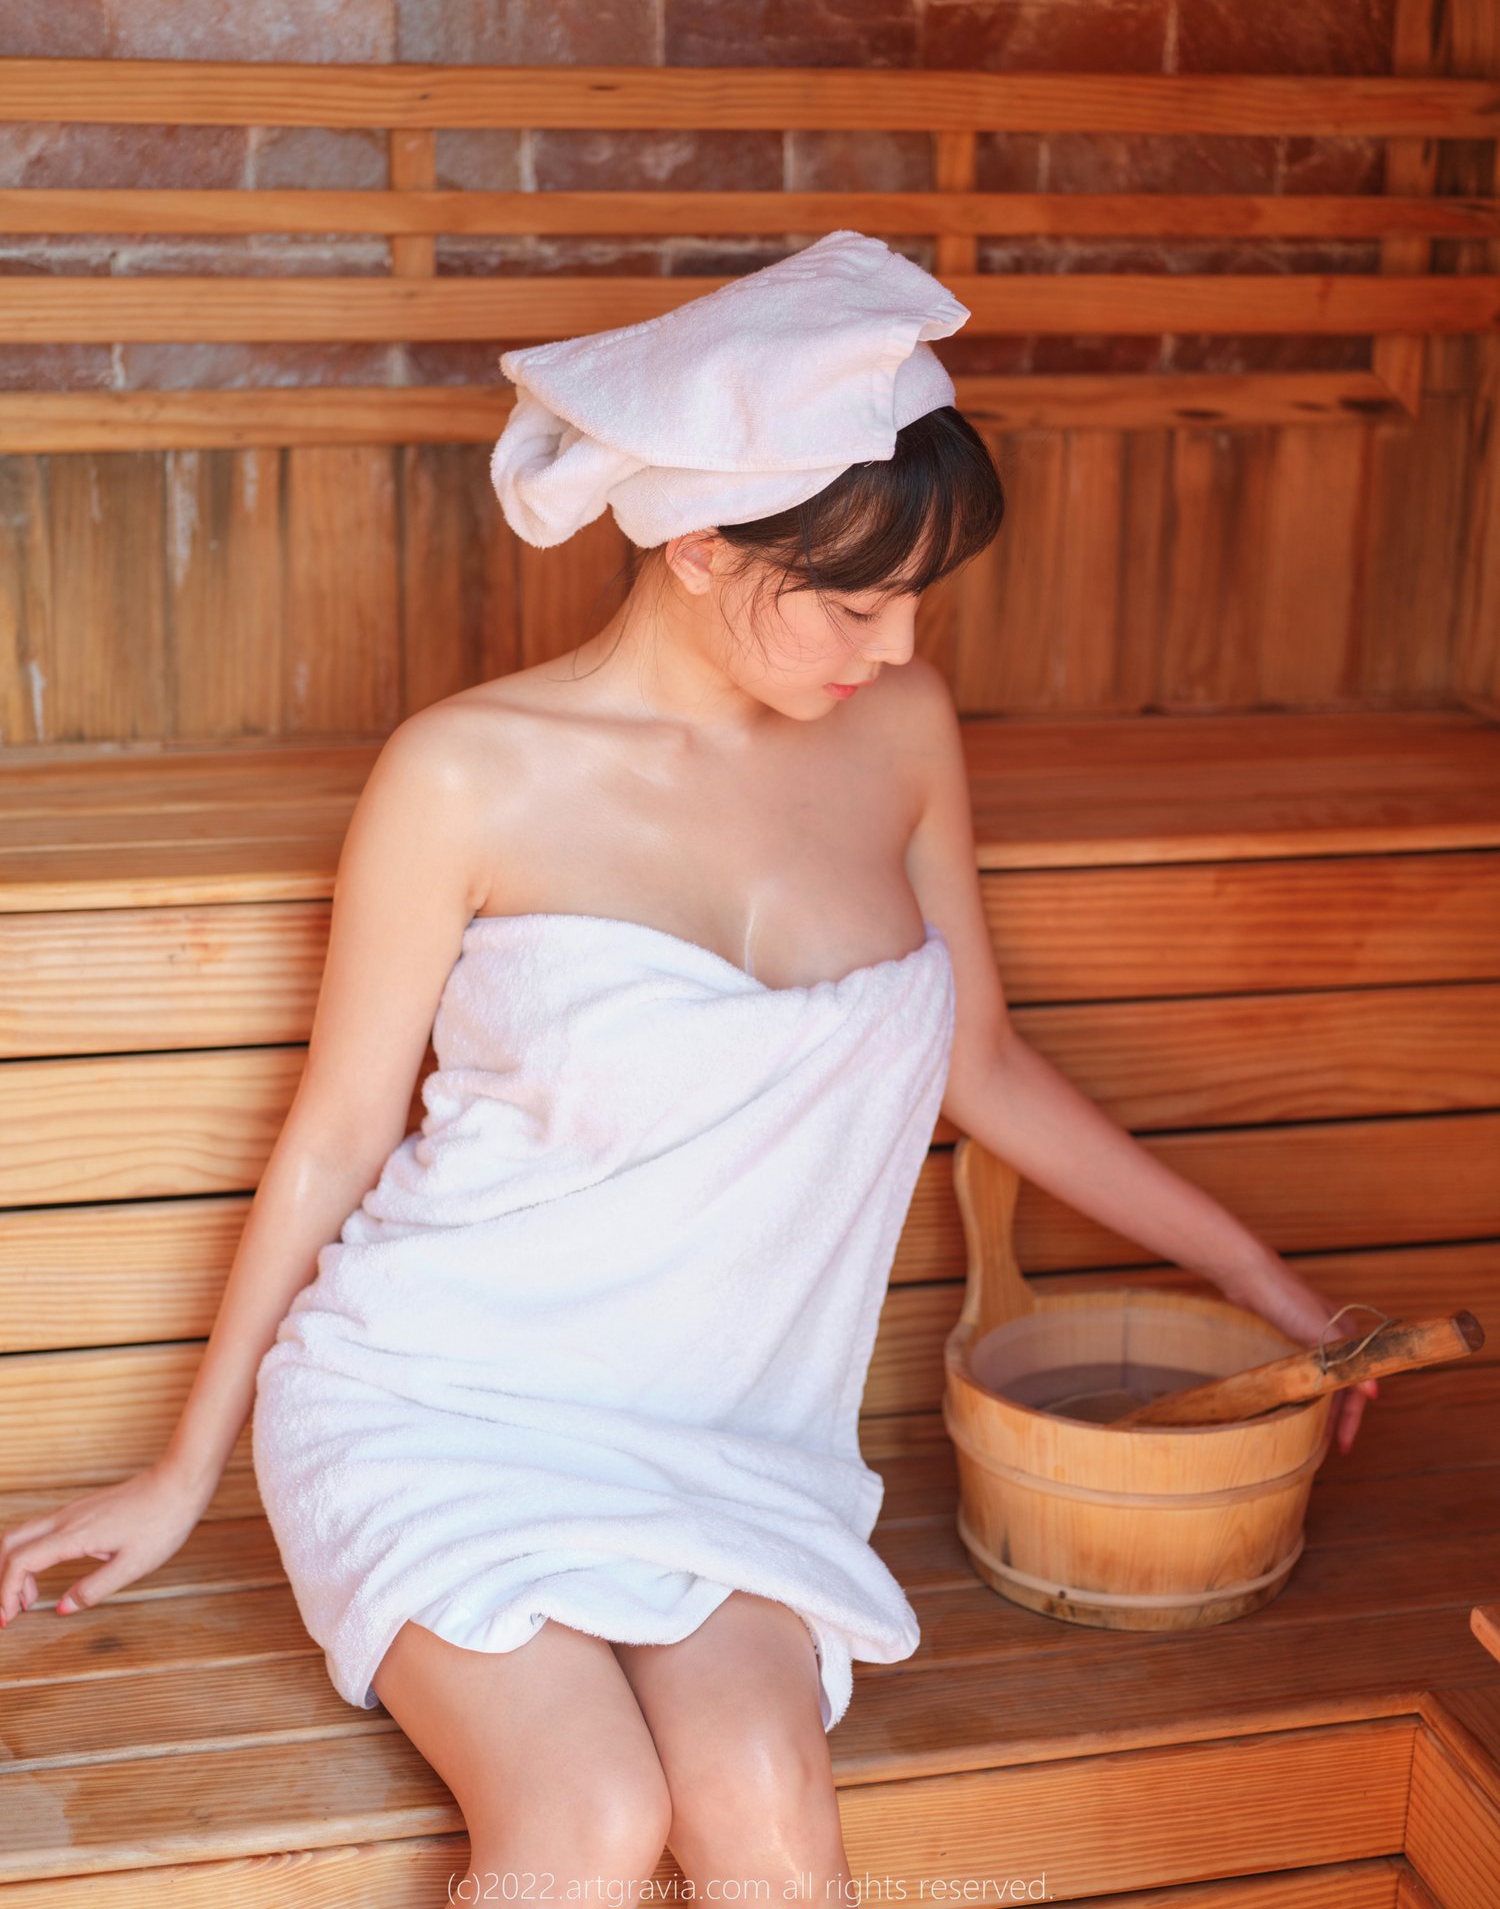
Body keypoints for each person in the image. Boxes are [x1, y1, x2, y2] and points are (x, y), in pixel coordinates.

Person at [0, 232, 1375, 1907]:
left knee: (768, 1811)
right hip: (439, 1405)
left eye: (920, 600)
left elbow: (988, 1063)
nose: (896, 645)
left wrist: (1261, 1279)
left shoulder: (899, 733)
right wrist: (180, 1474)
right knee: (587, 1820)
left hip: (729, 1436)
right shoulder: (468, 775)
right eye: (856, 602)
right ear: (703, 545)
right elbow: (335, 1139)